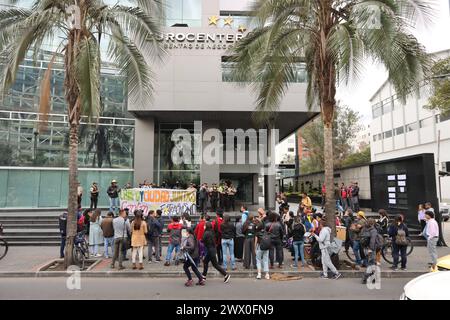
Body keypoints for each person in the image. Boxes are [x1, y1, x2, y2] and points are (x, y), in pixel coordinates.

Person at [361, 218, 382, 284]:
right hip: (371, 249)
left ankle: (373, 278)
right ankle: (365, 278)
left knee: (373, 263)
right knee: (371, 264)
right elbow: (372, 241)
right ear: (372, 223)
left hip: (365, 248)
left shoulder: (364, 229)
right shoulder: (373, 230)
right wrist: (371, 249)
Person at [255, 215, 270, 280]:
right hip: (266, 247)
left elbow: (255, 241)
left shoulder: (257, 233)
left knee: (258, 260)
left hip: (259, 247)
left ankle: (259, 274)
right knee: (266, 260)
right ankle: (267, 274)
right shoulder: (266, 232)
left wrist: (254, 248)